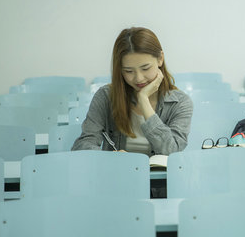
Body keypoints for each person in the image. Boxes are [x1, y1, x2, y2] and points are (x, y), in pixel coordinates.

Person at [72, 27, 193, 158]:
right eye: (128, 71)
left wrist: (143, 100)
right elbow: (83, 145)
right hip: (118, 175)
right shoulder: (106, 96)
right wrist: (110, 158)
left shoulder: (180, 103)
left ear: (160, 59)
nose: (138, 78)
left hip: (161, 178)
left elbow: (172, 151)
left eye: (145, 68)